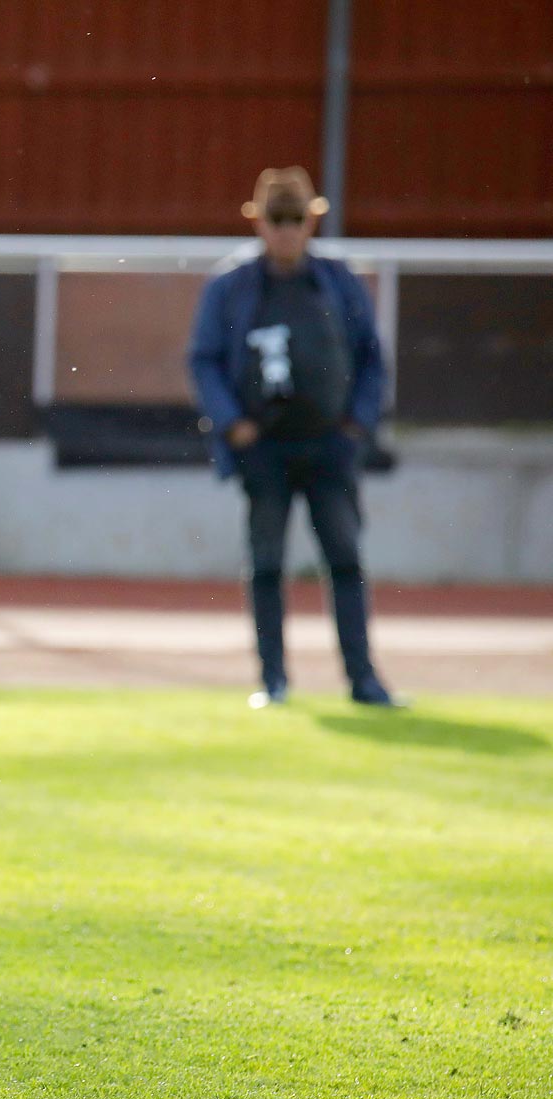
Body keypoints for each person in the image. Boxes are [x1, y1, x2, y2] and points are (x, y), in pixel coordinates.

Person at [188, 166, 401, 709]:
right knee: (265, 564)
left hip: (329, 444)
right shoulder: (231, 285)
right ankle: (273, 679)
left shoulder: (336, 279)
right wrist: (232, 422)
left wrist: (358, 422)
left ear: (311, 224)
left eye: (296, 220)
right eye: (276, 220)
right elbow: (205, 359)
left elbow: (371, 357)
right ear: (260, 225)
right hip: (264, 447)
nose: (286, 231)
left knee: (346, 559)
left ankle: (363, 679)